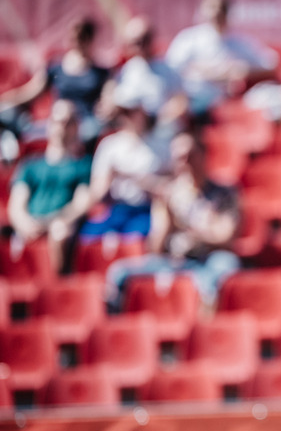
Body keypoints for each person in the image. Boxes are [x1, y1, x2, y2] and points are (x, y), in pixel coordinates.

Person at [104, 130, 241, 312]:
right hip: (174, 261)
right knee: (119, 273)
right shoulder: (169, 194)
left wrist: (194, 236)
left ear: (203, 155)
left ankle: (202, 333)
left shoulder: (224, 193)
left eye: (190, 156)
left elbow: (226, 237)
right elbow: (156, 248)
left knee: (221, 272)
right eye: (179, 158)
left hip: (209, 258)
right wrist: (166, 216)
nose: (185, 163)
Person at [6, 99, 92, 273]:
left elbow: (81, 204)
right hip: (30, 226)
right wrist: (25, 224)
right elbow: (16, 205)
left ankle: (56, 287)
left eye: (69, 122)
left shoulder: (83, 166)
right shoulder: (30, 166)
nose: (62, 127)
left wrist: (54, 222)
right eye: (58, 121)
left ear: (76, 126)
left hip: (61, 227)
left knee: (60, 232)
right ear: (49, 124)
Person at [164, 0, 280, 116]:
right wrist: (206, 71)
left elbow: (271, 65)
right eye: (212, 7)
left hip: (226, 103)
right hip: (192, 100)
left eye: (222, 7)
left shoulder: (239, 41)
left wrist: (243, 70)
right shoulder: (189, 39)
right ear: (202, 10)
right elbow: (170, 70)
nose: (217, 12)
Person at [0, 17, 113, 148]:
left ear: (90, 39)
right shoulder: (55, 67)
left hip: (85, 125)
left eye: (83, 37)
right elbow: (31, 92)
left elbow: (109, 97)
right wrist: (5, 100)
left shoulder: (102, 73)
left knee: (94, 130)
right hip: (56, 121)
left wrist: (107, 107)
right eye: (75, 37)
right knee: (8, 116)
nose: (78, 42)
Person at [78, 87, 171, 242]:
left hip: (146, 210)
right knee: (88, 238)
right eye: (123, 112)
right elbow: (98, 190)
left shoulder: (161, 146)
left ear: (142, 112)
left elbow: (170, 186)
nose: (127, 117)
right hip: (116, 210)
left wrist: (138, 179)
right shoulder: (109, 145)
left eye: (131, 112)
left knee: (137, 239)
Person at [104, 16, 188, 143]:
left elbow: (181, 101)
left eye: (144, 40)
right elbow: (111, 103)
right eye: (136, 42)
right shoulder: (124, 71)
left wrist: (160, 119)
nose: (141, 46)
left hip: (162, 133)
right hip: (130, 133)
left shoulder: (167, 69)